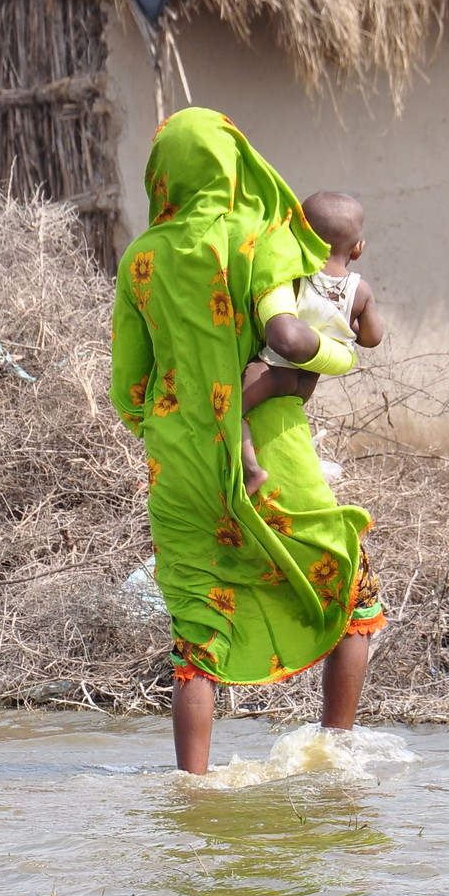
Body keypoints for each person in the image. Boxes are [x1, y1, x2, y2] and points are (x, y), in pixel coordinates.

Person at [110, 108, 387, 775]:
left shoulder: (140, 259)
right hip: (277, 456)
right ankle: (333, 753)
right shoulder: (259, 239)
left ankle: (194, 791)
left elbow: (128, 390)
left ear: (163, 173)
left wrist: (180, 429)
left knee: (198, 636)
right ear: (234, 166)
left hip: (178, 466)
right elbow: (299, 333)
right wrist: (341, 360)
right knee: (353, 596)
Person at [237, 191, 383, 494]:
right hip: (307, 382)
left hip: (275, 372)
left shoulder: (295, 275)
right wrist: (348, 320)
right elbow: (372, 338)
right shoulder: (361, 290)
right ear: (358, 249)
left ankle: (251, 471)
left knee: (229, 408)